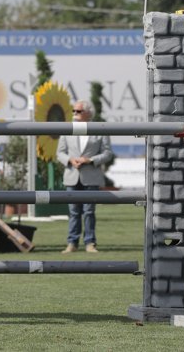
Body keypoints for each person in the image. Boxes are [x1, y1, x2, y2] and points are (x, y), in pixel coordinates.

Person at [56, 100, 114, 253]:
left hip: (91, 177)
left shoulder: (100, 129)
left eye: (78, 111)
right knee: (73, 212)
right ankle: (72, 243)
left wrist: (91, 160)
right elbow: (60, 153)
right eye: (73, 110)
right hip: (72, 176)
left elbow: (107, 153)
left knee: (89, 211)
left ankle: (90, 243)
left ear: (88, 113)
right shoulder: (68, 129)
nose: (74, 113)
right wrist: (70, 160)